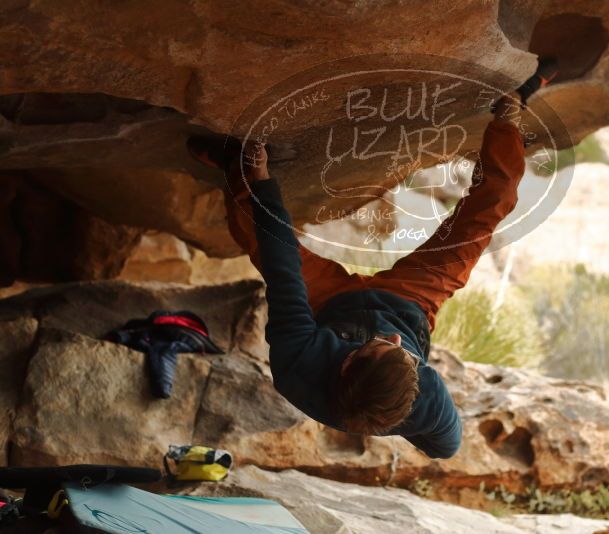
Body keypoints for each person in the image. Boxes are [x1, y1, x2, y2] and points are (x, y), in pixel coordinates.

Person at [188, 60, 557, 459]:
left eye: (385, 347)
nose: (396, 342)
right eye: (407, 356)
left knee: (255, 233)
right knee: (488, 212)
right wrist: (392, 409)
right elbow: (446, 448)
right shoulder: (423, 397)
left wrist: (260, 178)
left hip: (329, 302)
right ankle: (509, 114)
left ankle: (235, 164)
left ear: (346, 364)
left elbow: (283, 270)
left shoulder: (299, 366)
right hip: (411, 301)